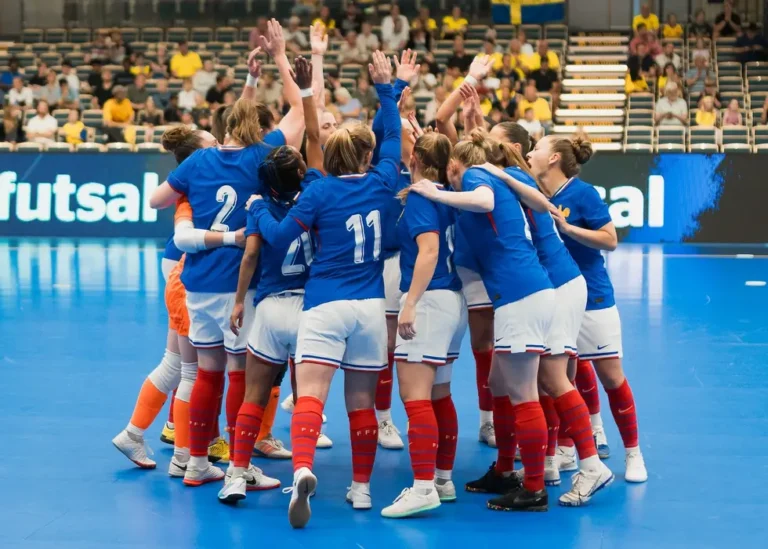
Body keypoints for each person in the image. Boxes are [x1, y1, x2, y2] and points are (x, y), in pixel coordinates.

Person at [245, 50, 400, 529]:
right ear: (369, 156)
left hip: (324, 302)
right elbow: (392, 137)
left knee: (310, 394)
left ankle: (304, 468)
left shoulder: (317, 190)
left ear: (330, 159)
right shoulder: (383, 181)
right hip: (371, 307)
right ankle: (361, 489)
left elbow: (277, 238)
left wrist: (257, 211)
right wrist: (387, 90)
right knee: (361, 402)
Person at [463, 131, 614, 505]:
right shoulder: (515, 180)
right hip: (550, 283)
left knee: (551, 378)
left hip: (558, 284)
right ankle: (506, 468)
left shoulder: (507, 182)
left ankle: (591, 465)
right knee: (500, 378)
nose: (530, 152)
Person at [409, 129, 556, 512]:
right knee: (498, 382)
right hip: (520, 292)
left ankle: (535, 487)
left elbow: (483, 199)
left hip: (521, 293)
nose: (449, 180)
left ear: (455, 166)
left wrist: (433, 191)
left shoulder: (476, 176)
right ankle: (506, 469)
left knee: (523, 392)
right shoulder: (491, 176)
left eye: (449, 174)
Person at [218, 56, 320, 504]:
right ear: (300, 173)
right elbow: (314, 136)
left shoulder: (259, 205)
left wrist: (240, 302)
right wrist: (308, 82)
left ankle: (236, 473)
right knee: (305, 397)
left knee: (254, 396)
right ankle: (301, 470)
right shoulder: (318, 193)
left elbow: (251, 256)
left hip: (272, 307)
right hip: (313, 309)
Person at [526, 133, 647, 484]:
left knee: (611, 375)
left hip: (592, 296)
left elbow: (610, 240)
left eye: (538, 148)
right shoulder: (535, 194)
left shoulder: (582, 194)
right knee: (557, 378)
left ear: (554, 159)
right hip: (553, 297)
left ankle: (633, 453)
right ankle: (564, 448)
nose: (532, 153)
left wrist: (567, 228)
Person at [380, 131, 468, 518]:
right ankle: (443, 479)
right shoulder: (449, 193)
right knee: (440, 396)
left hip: (428, 299)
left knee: (416, 399)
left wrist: (409, 303)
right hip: (452, 300)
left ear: (413, 156)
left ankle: (422, 487)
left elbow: (429, 250)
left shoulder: (420, 195)